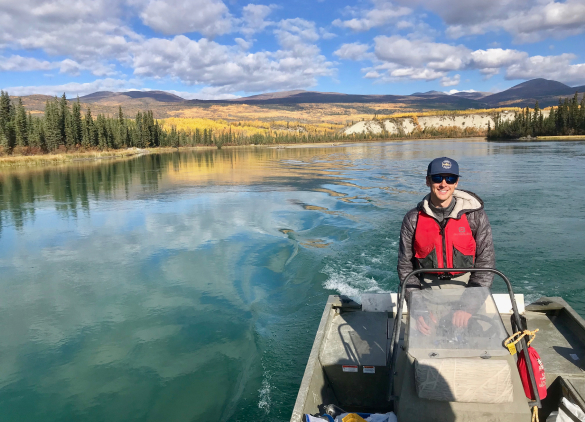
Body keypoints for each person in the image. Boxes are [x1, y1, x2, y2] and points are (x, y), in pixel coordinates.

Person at [397, 157, 495, 335]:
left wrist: (467, 307)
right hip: (428, 292)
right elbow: (405, 268)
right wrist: (419, 310)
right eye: (437, 178)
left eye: (450, 179)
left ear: (456, 182)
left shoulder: (475, 216)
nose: (444, 184)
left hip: (468, 289)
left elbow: (486, 266)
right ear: (428, 181)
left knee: (480, 342)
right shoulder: (412, 219)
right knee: (421, 347)